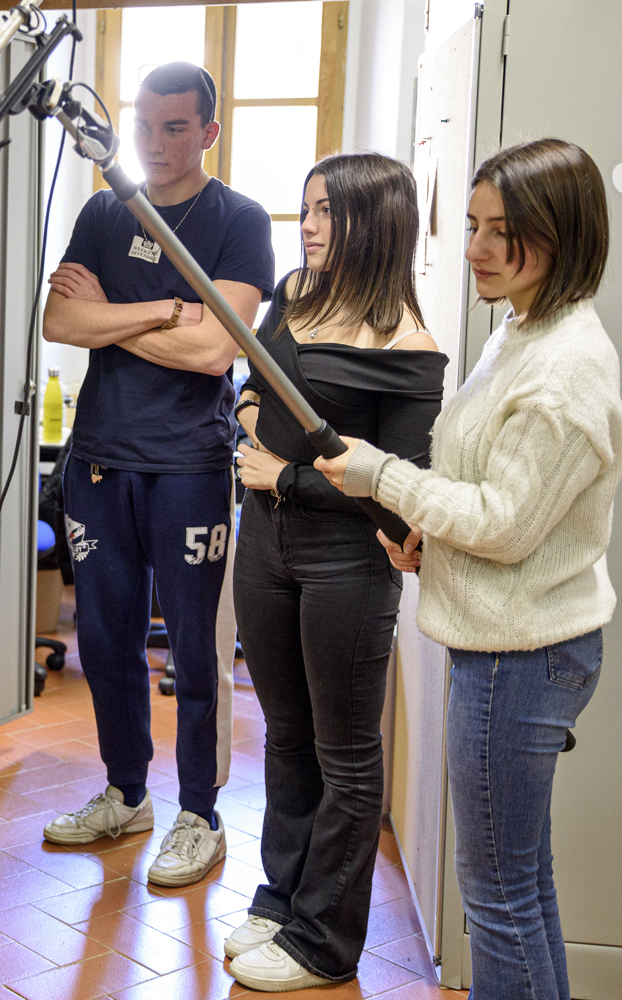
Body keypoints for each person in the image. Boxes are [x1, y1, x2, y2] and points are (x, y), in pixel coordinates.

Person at [316, 138, 620, 1000]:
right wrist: (425, 531)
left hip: (517, 657)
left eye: (503, 232)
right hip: (514, 640)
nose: (478, 250)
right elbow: (483, 490)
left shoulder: (562, 372)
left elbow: (507, 524)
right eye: (474, 225)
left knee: (496, 902)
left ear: (563, 235)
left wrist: (383, 475)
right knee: (523, 887)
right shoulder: (523, 328)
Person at [39, 61, 274, 886]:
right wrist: (167, 311)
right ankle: (125, 791)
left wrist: (112, 320)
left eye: (176, 127)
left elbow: (219, 350)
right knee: (105, 639)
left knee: (197, 656)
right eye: (144, 125)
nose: (155, 142)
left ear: (209, 131)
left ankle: (199, 814)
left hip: (190, 467)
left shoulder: (238, 221)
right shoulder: (106, 210)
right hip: (100, 462)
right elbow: (58, 319)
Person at [226, 153, 445, 992]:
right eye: (306, 209)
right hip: (265, 544)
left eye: (325, 211)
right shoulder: (294, 297)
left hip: (348, 559)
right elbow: (258, 385)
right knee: (285, 735)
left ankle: (323, 941)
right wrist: (248, 410)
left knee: (346, 752)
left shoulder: (410, 351)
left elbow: (401, 492)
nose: (308, 226)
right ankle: (280, 900)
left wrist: (284, 476)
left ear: (373, 223)